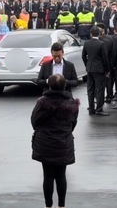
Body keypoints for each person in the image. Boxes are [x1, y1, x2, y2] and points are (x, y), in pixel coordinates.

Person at [31, 74, 79, 208]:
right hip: (63, 143)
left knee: (47, 175)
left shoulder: (42, 102)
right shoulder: (71, 103)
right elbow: (73, 123)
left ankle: (48, 205)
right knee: (61, 175)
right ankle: (61, 205)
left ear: (49, 86)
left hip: (45, 142)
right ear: (64, 86)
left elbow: (34, 121)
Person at [81, 26, 109, 116]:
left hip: (90, 68)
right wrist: (107, 70)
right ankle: (99, 109)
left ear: (91, 34)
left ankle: (91, 108)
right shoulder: (101, 44)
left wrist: (87, 64)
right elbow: (105, 58)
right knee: (100, 89)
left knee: (90, 89)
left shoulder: (86, 43)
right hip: (99, 69)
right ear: (99, 34)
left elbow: (83, 56)